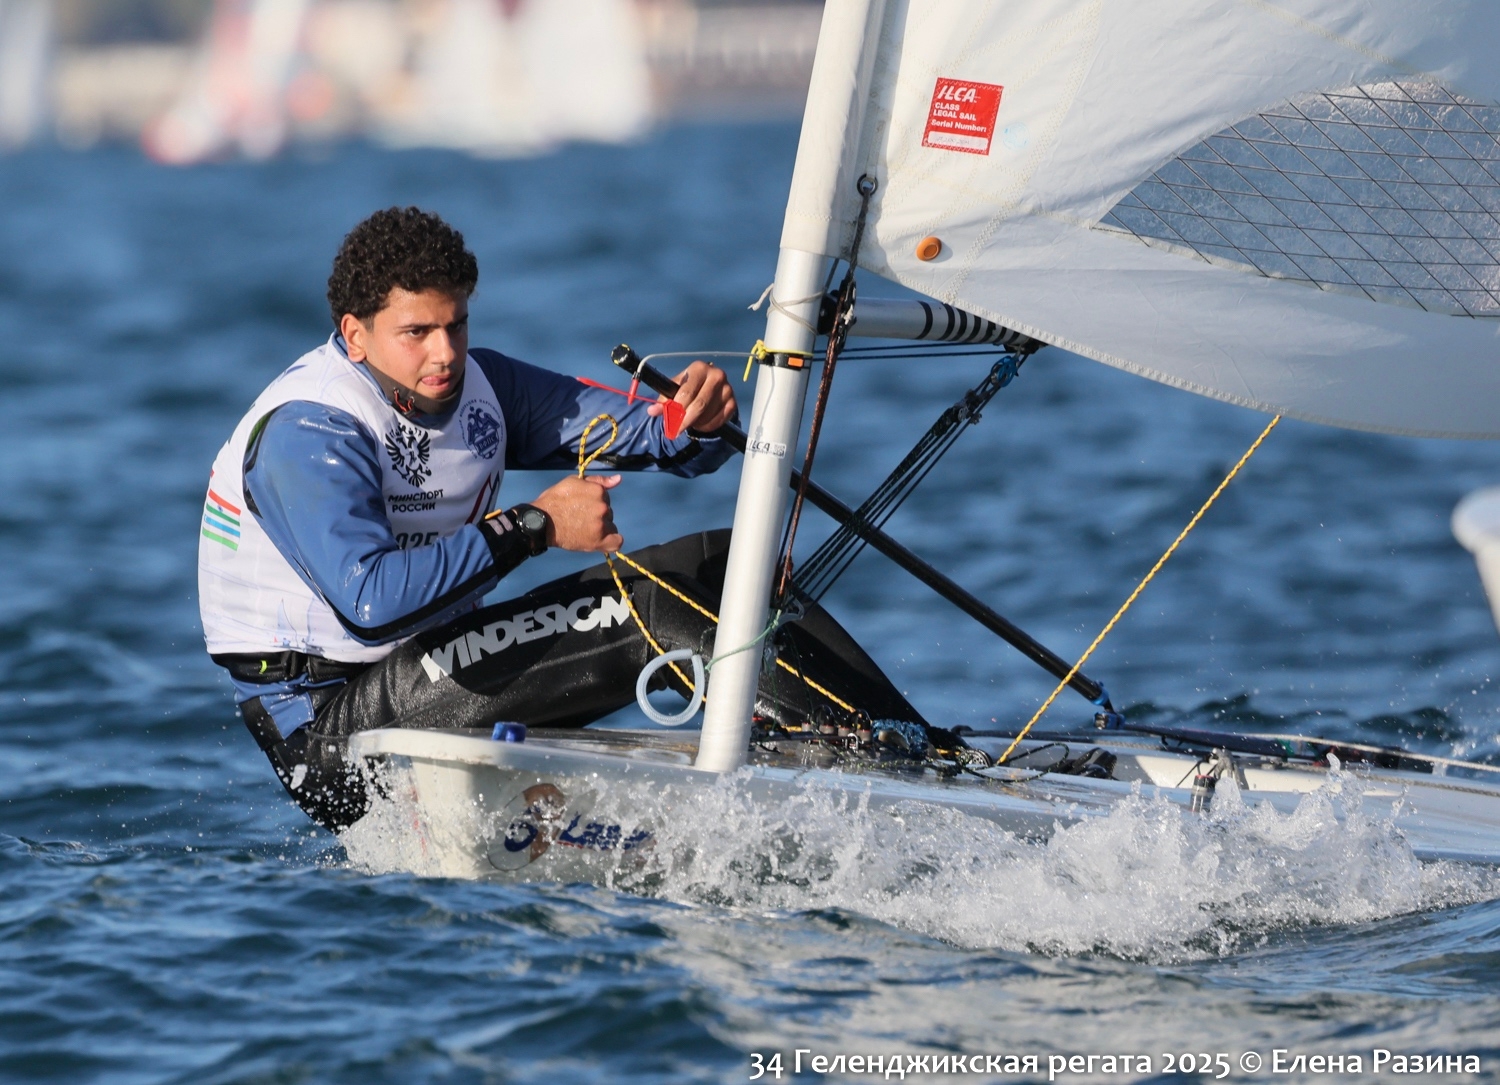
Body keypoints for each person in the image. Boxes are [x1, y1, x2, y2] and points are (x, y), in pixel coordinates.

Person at [199, 207, 929, 832]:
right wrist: (534, 526)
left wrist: (696, 419)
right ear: (354, 335)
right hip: (332, 733)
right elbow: (371, 607)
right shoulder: (309, 430)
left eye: (457, 324)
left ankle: (915, 748)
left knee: (723, 565)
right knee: (649, 609)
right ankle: (892, 776)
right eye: (416, 332)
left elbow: (651, 434)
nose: (445, 354)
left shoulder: (485, 387)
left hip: (425, 676)